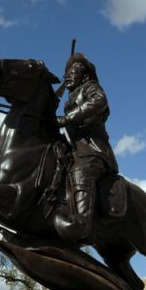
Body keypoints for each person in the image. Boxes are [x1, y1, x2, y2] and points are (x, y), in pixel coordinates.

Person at [56, 53, 119, 241]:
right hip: (75, 150)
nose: (68, 76)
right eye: (66, 73)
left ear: (83, 76)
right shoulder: (70, 99)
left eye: (73, 72)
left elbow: (99, 101)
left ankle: (82, 223)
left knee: (80, 172)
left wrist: (67, 118)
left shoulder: (91, 88)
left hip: (92, 152)